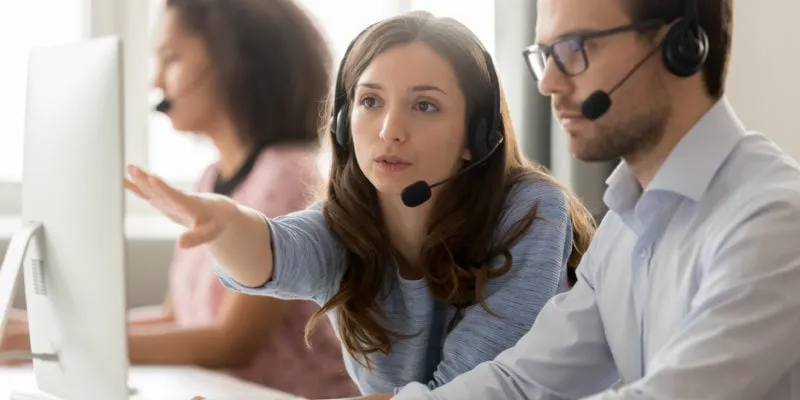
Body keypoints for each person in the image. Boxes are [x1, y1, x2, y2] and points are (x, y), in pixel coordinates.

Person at [124, 10, 597, 399]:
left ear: (476, 137)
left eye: (425, 105)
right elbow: (276, 251)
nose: (390, 129)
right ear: (344, 121)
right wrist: (226, 224)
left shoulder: (531, 211)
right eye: (371, 101)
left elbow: (462, 391)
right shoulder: (348, 221)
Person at [389, 0, 800, 399]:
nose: (547, 82)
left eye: (574, 47)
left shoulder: (775, 220)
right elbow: (523, 382)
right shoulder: (626, 223)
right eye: (546, 53)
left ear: (680, 47)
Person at [0, 0, 360, 398]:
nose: (157, 82)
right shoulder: (210, 179)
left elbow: (230, 341)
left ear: (234, 61)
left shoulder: (288, 174)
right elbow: (177, 317)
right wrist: (52, 329)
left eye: (171, 59)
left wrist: (67, 344)